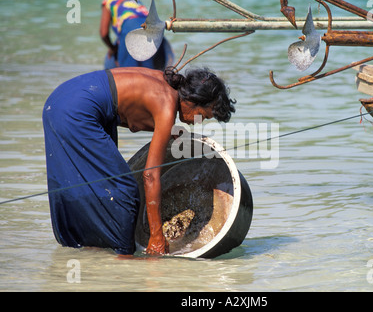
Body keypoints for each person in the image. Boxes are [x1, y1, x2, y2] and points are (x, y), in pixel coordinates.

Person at [42, 66, 236, 256]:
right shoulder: (166, 105)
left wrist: (169, 131)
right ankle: (124, 259)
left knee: (97, 186)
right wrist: (157, 236)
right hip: (76, 111)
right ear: (193, 100)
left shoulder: (165, 85)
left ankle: (90, 251)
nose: (198, 122)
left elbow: (135, 114)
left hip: (62, 100)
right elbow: (150, 176)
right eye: (202, 115)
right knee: (124, 191)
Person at [100, 0, 172, 69]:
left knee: (129, 73)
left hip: (130, 32)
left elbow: (104, 33)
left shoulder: (108, 2)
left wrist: (113, 48)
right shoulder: (134, 0)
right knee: (151, 73)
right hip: (154, 32)